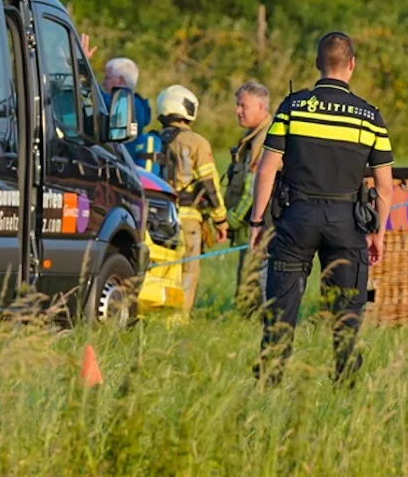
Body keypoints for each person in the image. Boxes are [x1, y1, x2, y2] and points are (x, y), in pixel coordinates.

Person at [247, 32, 395, 385]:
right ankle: (344, 383)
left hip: (297, 218)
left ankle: (270, 380)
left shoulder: (293, 107)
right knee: (347, 311)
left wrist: (256, 222)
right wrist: (378, 233)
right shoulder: (370, 117)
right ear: (352, 65)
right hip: (347, 222)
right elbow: (385, 186)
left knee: (281, 308)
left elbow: (267, 169)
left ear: (317, 64)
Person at [154, 85, 228, 317]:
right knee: (188, 271)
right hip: (187, 220)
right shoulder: (196, 142)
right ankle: (177, 319)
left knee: (160, 268)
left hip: (154, 218)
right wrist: (220, 219)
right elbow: (210, 185)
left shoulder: (149, 140)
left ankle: (154, 312)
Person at [224, 81, 273, 317]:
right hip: (251, 224)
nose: (237, 111)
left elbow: (252, 188)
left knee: (251, 287)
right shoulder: (252, 136)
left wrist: (230, 220)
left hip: (260, 224)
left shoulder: (265, 138)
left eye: (243, 105)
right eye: (237, 105)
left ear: (261, 107)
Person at [102, 57, 160, 170]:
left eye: (107, 78)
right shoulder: (137, 104)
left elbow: (97, 96)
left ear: (121, 81)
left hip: (120, 166)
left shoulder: (125, 103)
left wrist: (80, 67)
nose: (103, 82)